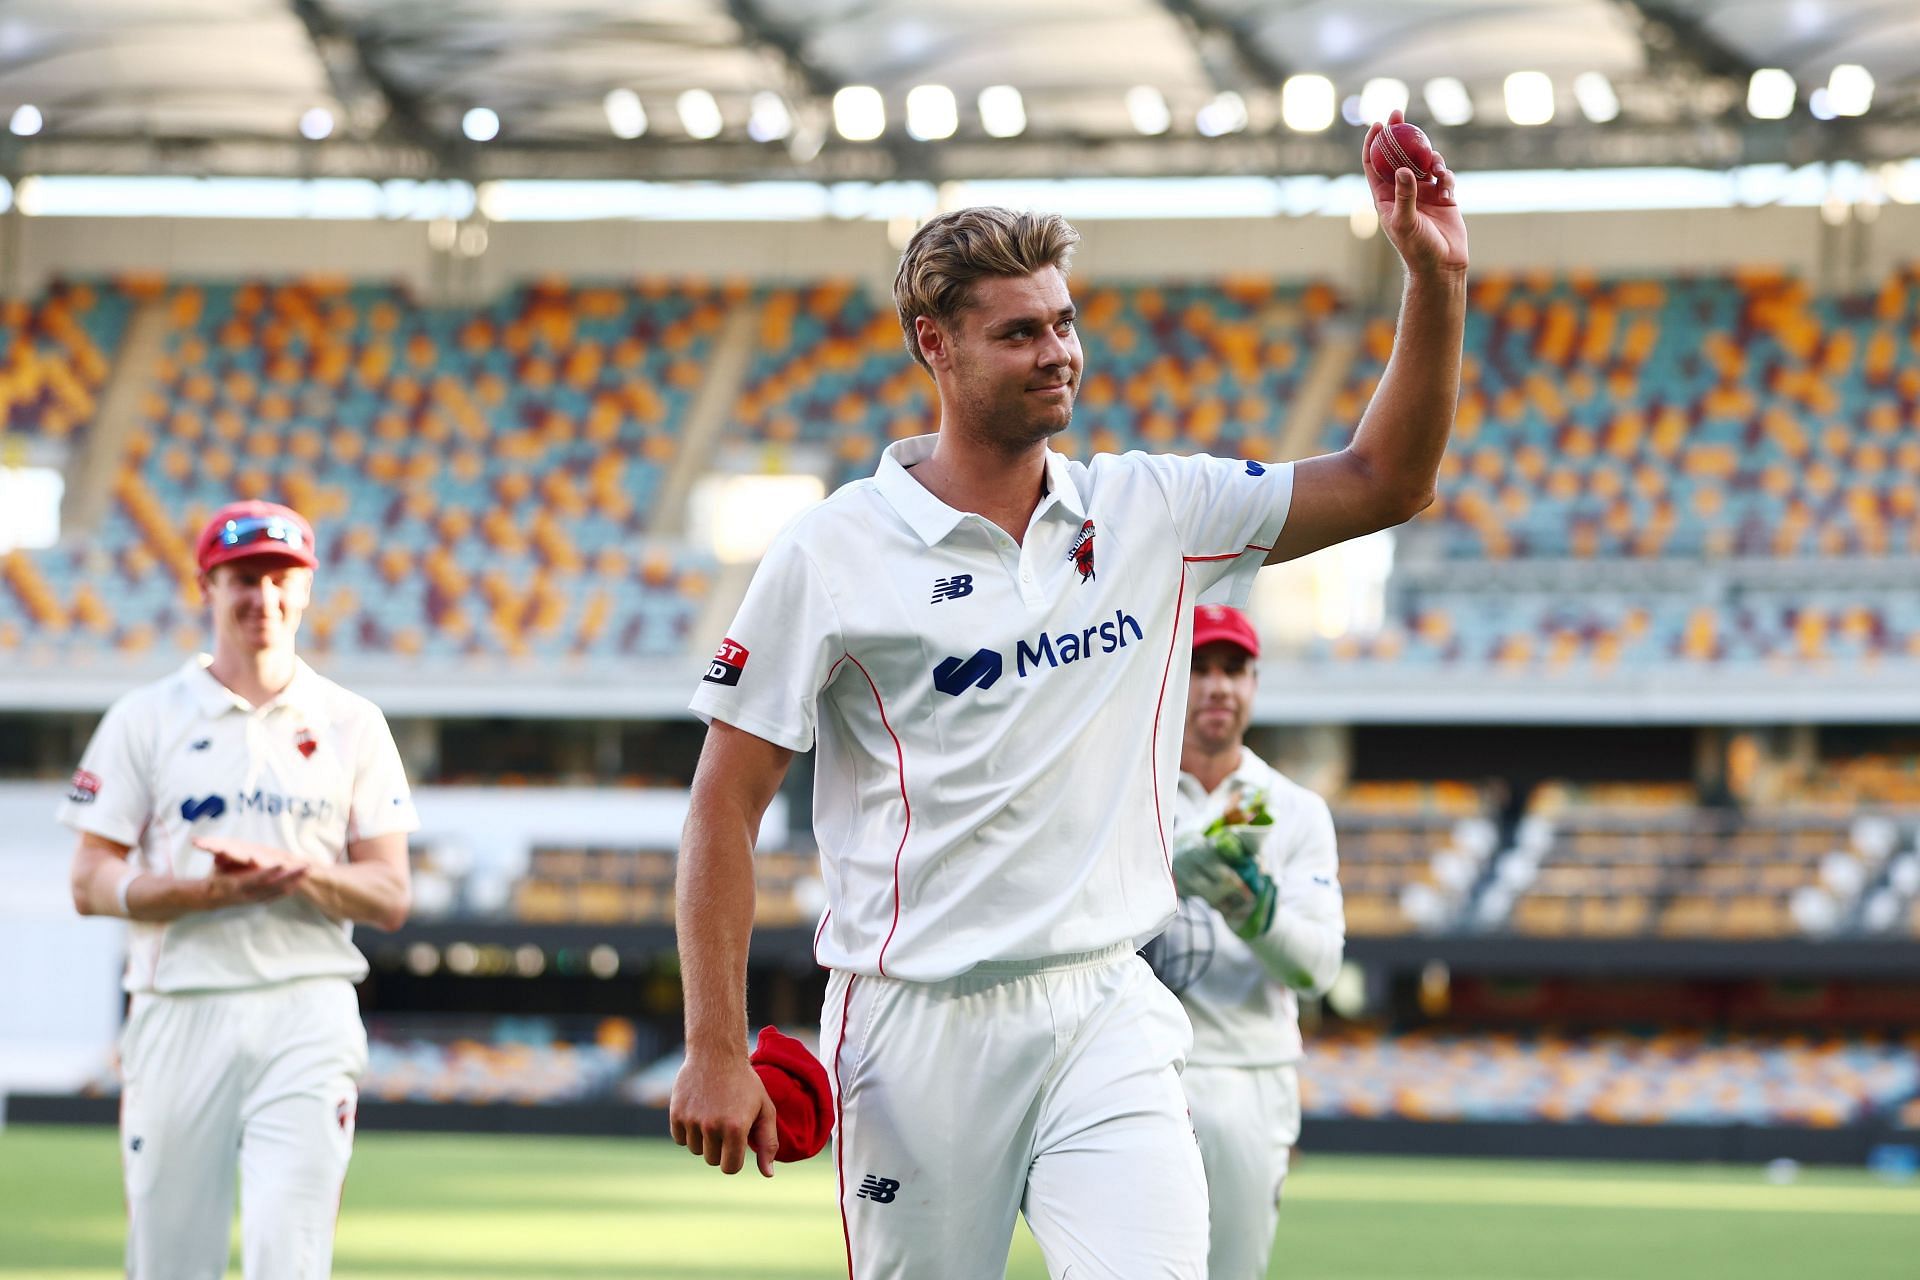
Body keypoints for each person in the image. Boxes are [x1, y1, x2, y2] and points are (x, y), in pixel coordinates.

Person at [671, 110, 1465, 1279]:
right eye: (1019, 332)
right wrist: (713, 1046)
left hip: (1107, 1002)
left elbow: (1385, 479)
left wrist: (1435, 280)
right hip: (913, 1026)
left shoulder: (1153, 508)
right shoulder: (830, 552)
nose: (1059, 352)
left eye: (1065, 322)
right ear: (932, 343)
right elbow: (721, 811)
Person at [60, 499, 418, 1280]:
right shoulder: (145, 717)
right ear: (207, 588)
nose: (265, 598)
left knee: (287, 1259)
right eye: (244, 579)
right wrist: (201, 894)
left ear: (309, 589)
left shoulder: (354, 721)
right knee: (169, 1261)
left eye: (282, 578)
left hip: (308, 1011)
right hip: (179, 1005)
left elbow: (390, 894)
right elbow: (88, 880)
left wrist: (297, 877)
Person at [1147, 604, 1344, 1280]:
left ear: (1254, 684)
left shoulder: (1287, 806)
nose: (1217, 687)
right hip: (1133, 1064)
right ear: (1170, 677)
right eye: (1198, 667)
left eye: (1234, 669)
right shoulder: (1126, 787)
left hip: (1244, 1071)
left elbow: (1318, 968)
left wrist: (1253, 914)